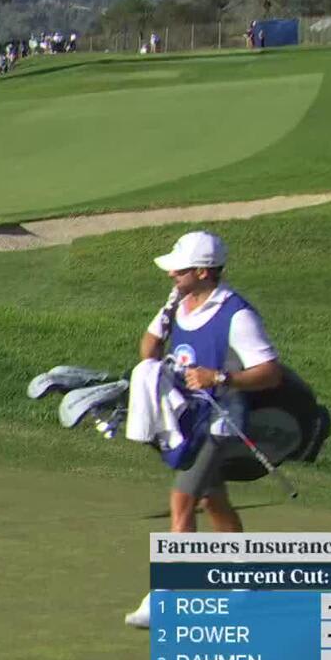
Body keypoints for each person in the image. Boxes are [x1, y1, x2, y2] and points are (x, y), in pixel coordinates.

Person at [124, 232, 283, 629]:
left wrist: (221, 377)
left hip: (220, 421)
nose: (171, 274)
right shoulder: (177, 302)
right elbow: (147, 351)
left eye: (178, 269)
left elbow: (270, 372)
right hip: (185, 419)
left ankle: (168, 596)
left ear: (202, 270)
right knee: (213, 501)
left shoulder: (237, 314)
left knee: (182, 501)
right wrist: (162, 321)